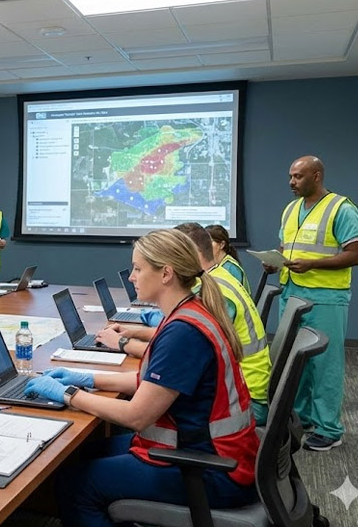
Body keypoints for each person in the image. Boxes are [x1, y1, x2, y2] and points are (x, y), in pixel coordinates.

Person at [26, 229, 259, 526]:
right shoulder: (186, 312)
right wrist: (86, 378)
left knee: (76, 486)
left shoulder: (182, 332)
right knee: (73, 456)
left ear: (166, 274)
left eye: (138, 269)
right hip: (205, 451)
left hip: (210, 470)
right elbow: (151, 384)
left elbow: (137, 415)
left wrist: (69, 394)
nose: (132, 277)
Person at [99, 223, 271, 425]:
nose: (132, 276)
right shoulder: (213, 281)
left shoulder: (206, 301)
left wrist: (123, 343)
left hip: (241, 399)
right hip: (235, 391)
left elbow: (178, 350)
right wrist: (134, 333)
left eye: (138, 268)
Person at [264, 155, 358, 451]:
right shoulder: (291, 208)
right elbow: (285, 247)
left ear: (316, 176)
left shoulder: (341, 209)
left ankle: (330, 429)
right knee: (295, 361)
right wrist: (274, 263)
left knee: (324, 363)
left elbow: (354, 253)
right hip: (292, 293)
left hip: (325, 297)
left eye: (298, 177)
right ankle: (303, 417)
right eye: (291, 176)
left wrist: (313, 265)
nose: (292, 182)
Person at [206, 224, 252, 294]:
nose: (205, 246)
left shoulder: (231, 269)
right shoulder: (217, 265)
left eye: (210, 241)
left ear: (222, 245)